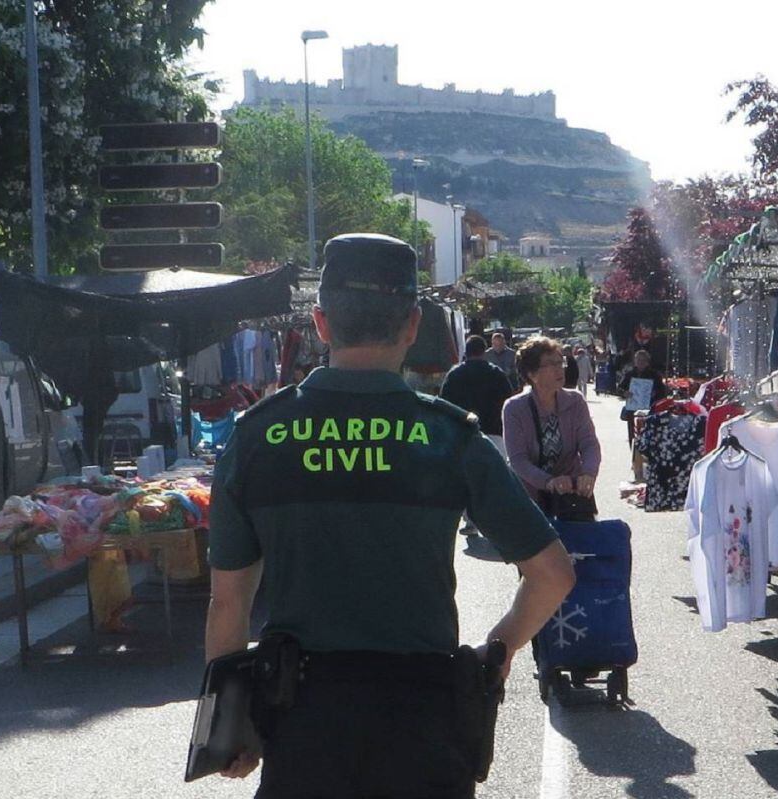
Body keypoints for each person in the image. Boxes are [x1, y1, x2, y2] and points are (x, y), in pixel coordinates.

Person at [206, 234, 575, 799]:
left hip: (302, 725)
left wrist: (232, 726)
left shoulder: (258, 435)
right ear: (412, 325)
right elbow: (553, 574)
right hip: (425, 725)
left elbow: (228, 601)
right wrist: (496, 652)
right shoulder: (448, 435)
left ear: (320, 323)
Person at [503, 336, 601, 510]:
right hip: (530, 500)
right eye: (551, 365)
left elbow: (589, 443)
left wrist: (588, 473)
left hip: (572, 497)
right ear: (532, 374)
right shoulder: (514, 408)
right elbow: (518, 460)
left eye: (560, 362)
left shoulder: (575, 401)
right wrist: (549, 482)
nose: (560, 370)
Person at [440, 334, 514, 535]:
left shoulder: (454, 375)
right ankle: (496, 520)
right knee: (496, 479)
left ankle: (471, 521)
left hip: (463, 434)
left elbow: (444, 404)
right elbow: (510, 403)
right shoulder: (497, 374)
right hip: (495, 432)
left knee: (467, 481)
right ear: (484, 351)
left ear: (467, 351)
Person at [618, 349, 667, 445]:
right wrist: (625, 393)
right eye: (638, 360)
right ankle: (633, 449)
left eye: (643, 360)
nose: (641, 362)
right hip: (632, 409)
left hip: (649, 409)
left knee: (648, 432)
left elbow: (662, 392)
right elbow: (619, 388)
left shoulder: (655, 375)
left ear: (647, 362)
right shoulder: (629, 374)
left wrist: (654, 394)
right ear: (635, 361)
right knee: (632, 433)